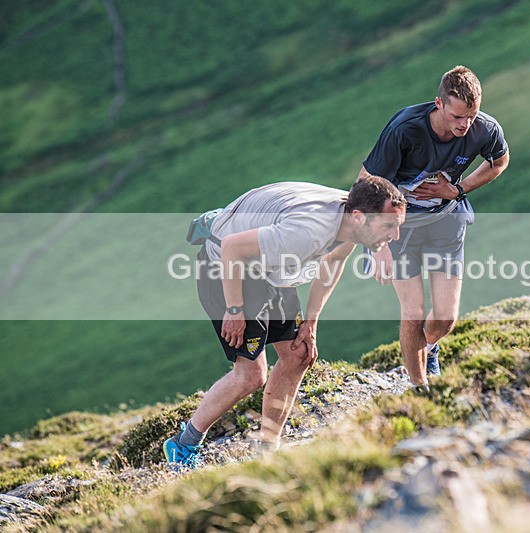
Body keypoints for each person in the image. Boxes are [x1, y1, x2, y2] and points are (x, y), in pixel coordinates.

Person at [164, 176, 406, 467]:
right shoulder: (307, 232)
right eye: (389, 227)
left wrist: (311, 323)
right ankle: (182, 445)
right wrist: (235, 309)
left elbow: (333, 263)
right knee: (251, 376)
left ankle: (267, 450)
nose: (394, 236)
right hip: (228, 268)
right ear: (358, 217)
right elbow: (231, 248)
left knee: (298, 354)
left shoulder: (354, 217)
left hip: (271, 268)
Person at [358, 65, 510, 386]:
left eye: (471, 116)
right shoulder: (405, 128)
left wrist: (458, 189)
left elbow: (499, 161)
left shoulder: (484, 129)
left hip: (446, 222)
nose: (465, 125)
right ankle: (419, 387)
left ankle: (428, 348)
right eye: (457, 117)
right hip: (401, 228)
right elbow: (366, 183)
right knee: (413, 312)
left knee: (445, 318)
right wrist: (376, 246)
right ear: (439, 104)